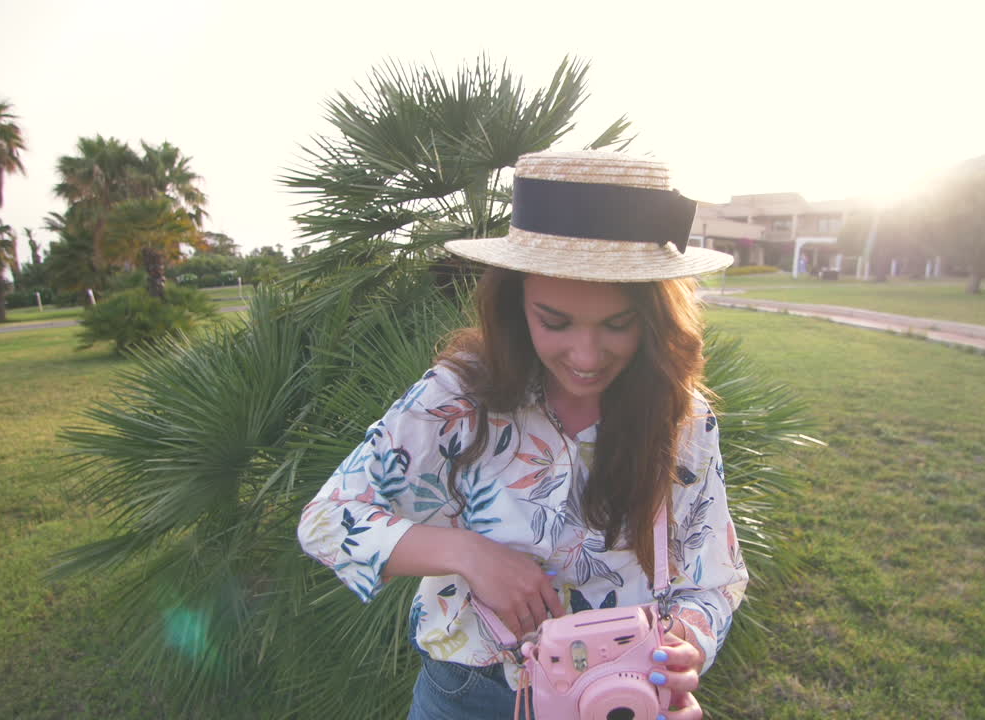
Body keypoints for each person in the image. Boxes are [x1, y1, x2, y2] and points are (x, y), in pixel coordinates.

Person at [298, 150, 749, 719]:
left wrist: (685, 648)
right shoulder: (457, 399)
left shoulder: (682, 417)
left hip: (617, 695)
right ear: (514, 303)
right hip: (471, 696)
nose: (586, 358)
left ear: (655, 318)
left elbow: (715, 578)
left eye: (617, 324)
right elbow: (326, 520)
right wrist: (467, 553)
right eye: (554, 322)